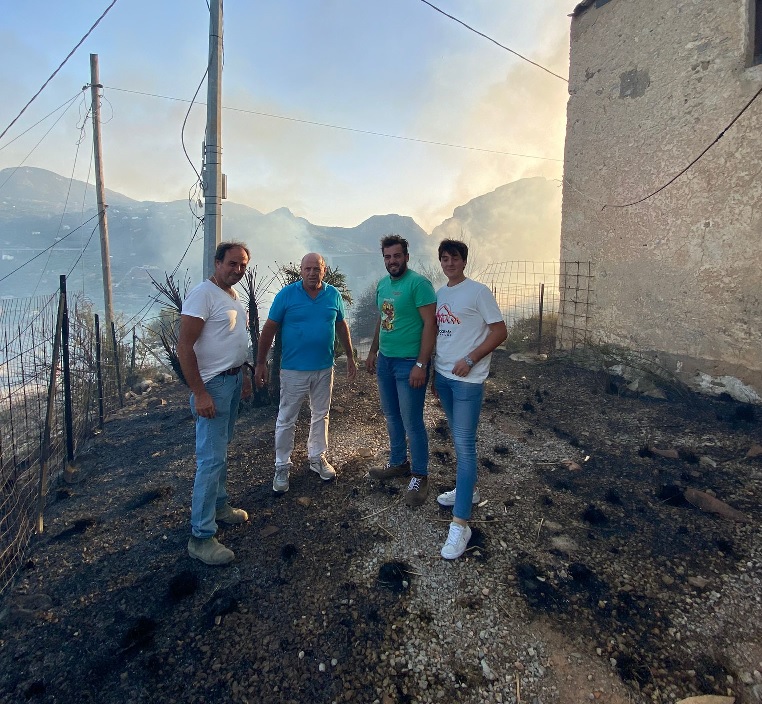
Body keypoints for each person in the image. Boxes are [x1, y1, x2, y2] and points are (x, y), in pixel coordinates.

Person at [177, 241, 253, 566]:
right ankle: (201, 537)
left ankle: (219, 507)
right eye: (232, 264)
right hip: (213, 386)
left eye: (242, 265)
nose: (237, 270)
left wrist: (244, 374)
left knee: (221, 449)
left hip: (232, 381)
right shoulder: (203, 294)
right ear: (217, 262)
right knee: (210, 459)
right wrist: (200, 392)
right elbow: (184, 347)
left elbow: (234, 339)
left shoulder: (231, 296)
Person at [254, 252, 356, 493]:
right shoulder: (287, 295)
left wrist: (351, 357)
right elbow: (269, 329)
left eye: (316, 269)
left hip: (324, 367)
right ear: (301, 271)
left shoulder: (333, 295)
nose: (312, 273)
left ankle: (317, 458)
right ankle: (281, 466)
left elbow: (341, 324)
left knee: (321, 414)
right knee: (286, 418)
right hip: (293, 370)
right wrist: (260, 362)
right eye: (308, 269)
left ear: (324, 271)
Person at [433, 239, 507, 559]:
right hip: (444, 379)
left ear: (464, 261)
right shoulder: (441, 294)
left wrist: (472, 358)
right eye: (444, 259)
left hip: (468, 381)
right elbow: (440, 334)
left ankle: (461, 525)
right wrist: (436, 374)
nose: (449, 263)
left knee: (464, 446)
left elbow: (500, 331)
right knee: (457, 438)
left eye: (455, 258)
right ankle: (469, 491)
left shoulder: (478, 292)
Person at [365, 235, 437, 506]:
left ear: (407, 256)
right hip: (386, 361)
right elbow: (382, 320)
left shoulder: (419, 284)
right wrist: (373, 351)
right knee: (392, 416)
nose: (392, 261)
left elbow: (431, 325)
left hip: (410, 363)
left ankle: (420, 476)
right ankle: (398, 463)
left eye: (396, 256)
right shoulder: (383, 285)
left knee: (412, 421)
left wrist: (421, 363)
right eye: (387, 257)